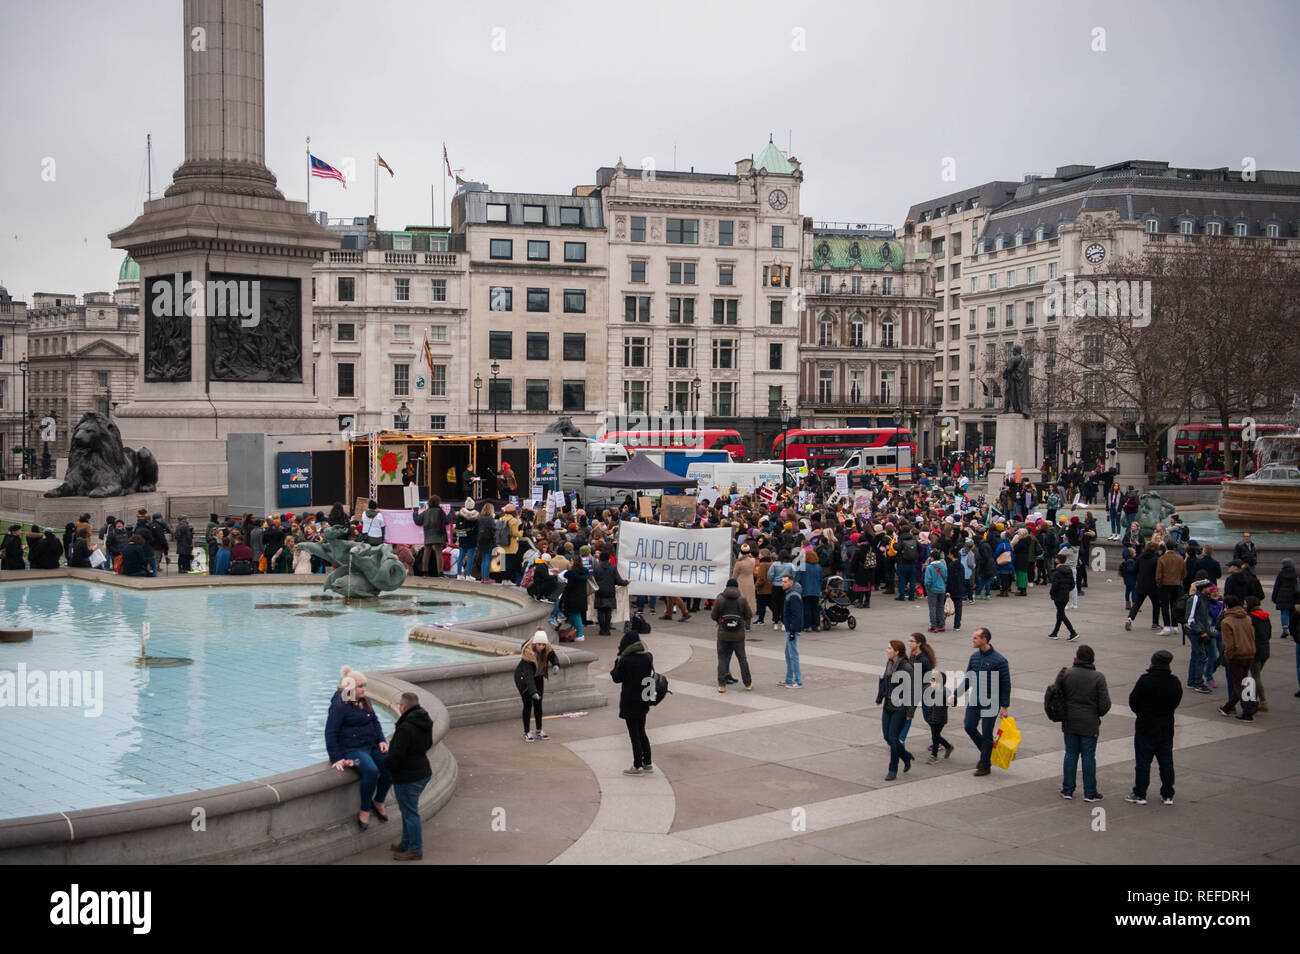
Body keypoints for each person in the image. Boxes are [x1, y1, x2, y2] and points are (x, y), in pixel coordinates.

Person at [325, 666, 392, 830]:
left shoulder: (364, 701)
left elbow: (375, 721)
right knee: (370, 770)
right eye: (360, 686)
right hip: (352, 750)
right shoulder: (339, 705)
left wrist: (382, 740)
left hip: (371, 745)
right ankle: (365, 809)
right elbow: (330, 732)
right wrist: (336, 758)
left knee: (391, 764)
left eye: (364, 686)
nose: (364, 689)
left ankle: (379, 800)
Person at [1126, 650, 1182, 806]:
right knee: (1166, 762)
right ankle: (1168, 794)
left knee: (1143, 763)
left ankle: (1140, 793)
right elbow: (1176, 701)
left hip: (1146, 727)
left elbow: (1133, 701)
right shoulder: (1174, 682)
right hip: (1166, 727)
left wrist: (1143, 713)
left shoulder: (1145, 680)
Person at [384, 690, 434, 861]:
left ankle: (415, 849)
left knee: (410, 812)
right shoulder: (424, 721)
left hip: (408, 776)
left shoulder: (405, 728)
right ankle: (406, 843)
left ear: (403, 707)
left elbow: (396, 755)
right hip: (422, 771)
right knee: (408, 810)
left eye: (399, 704)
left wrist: (386, 765)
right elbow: (428, 743)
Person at [954, 627, 1010, 777]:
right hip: (975, 700)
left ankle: (985, 764)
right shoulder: (974, 657)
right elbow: (968, 678)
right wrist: (955, 694)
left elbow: (1006, 684)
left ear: (985, 640)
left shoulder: (1000, 660)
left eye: (976, 638)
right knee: (969, 726)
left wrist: (1004, 706)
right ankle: (988, 753)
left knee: (987, 732)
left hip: (991, 702)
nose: (973, 640)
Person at [1058, 644, 1111, 802]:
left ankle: (1068, 789)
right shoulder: (1098, 677)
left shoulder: (1066, 673)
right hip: (1090, 722)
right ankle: (1090, 792)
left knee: (1070, 754)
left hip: (1070, 721)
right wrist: (1096, 713)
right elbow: (1104, 705)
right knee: (1088, 757)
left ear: (1077, 658)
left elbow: (1057, 696)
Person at [610, 624, 655, 775]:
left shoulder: (626, 660)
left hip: (630, 700)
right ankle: (647, 762)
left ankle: (637, 765)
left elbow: (616, 678)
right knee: (642, 731)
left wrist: (617, 662)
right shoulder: (648, 657)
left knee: (634, 734)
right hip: (643, 699)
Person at [877, 639, 916, 780]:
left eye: (889, 648)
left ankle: (892, 769)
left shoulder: (906, 668)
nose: (887, 650)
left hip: (900, 708)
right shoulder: (889, 663)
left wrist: (910, 712)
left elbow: (912, 691)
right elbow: (884, 680)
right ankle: (905, 756)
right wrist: (880, 696)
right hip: (887, 706)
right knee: (887, 737)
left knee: (894, 738)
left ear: (897, 651)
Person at [1217, 595, 1258, 722]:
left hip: (1236, 656)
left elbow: (1228, 644)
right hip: (1249, 653)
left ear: (1227, 606)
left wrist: (1227, 657)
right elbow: (1252, 635)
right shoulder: (1247, 617)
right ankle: (1227, 708)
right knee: (1241, 682)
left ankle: (1247, 712)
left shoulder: (1226, 621)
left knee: (1239, 684)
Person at [514, 629, 559, 742]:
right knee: (528, 704)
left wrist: (556, 664)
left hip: (538, 675)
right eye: (539, 644)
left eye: (543, 644)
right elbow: (528, 676)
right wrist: (533, 692)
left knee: (538, 704)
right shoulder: (528, 654)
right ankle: (527, 732)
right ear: (534, 644)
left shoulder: (547, 647)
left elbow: (552, 655)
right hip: (523, 678)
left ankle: (539, 730)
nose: (541, 647)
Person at [712, 577, 753, 692]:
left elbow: (713, 615)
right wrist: (741, 620)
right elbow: (749, 614)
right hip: (738, 635)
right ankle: (747, 683)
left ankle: (721, 685)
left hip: (723, 635)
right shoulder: (742, 599)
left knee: (722, 659)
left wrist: (720, 621)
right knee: (742, 659)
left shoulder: (720, 599)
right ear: (737, 587)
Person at [1183, 578, 1215, 694]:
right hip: (1195, 632)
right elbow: (1190, 619)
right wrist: (1201, 631)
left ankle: (1191, 681)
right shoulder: (1195, 598)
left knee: (1196, 655)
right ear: (1203, 588)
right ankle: (1198, 683)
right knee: (1201, 656)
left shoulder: (1204, 598)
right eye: (1208, 587)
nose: (1210, 589)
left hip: (1198, 631)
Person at [1125, 543, 1161, 631]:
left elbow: (1134, 569)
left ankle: (1130, 619)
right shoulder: (1156, 559)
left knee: (1137, 604)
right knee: (1156, 605)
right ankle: (1155, 623)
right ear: (1156, 550)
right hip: (1153, 586)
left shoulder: (1140, 557)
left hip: (1141, 584)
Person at [591, 550, 627, 636]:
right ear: (608, 559)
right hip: (610, 591)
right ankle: (607, 629)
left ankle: (602, 629)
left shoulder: (597, 568)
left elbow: (593, 581)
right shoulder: (613, 568)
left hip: (599, 591)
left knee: (600, 611)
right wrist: (626, 582)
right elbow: (618, 581)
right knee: (608, 611)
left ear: (600, 558)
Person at [778, 573, 804, 688]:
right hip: (790, 629)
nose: (782, 584)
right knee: (788, 654)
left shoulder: (793, 595)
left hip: (792, 629)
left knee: (793, 655)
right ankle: (789, 679)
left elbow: (797, 615)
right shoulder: (790, 593)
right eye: (782, 582)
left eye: (785, 582)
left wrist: (792, 630)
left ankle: (797, 681)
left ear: (791, 582)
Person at [1246, 595, 1271, 713]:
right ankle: (1254, 700)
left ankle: (1263, 701)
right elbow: (1269, 633)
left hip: (1255, 649)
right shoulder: (1265, 616)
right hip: (1265, 648)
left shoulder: (1251, 618)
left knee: (1255, 676)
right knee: (1256, 675)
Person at [1046, 552, 1079, 640]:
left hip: (1058, 595)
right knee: (1060, 614)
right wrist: (1067, 590)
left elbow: (1055, 585)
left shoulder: (1057, 572)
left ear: (1058, 561)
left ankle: (1073, 632)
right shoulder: (1068, 570)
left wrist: (1052, 593)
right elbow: (1072, 584)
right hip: (1065, 595)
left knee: (1061, 615)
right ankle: (1055, 632)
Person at [1155, 544, 1185, 635]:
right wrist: (1179, 580)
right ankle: (1175, 627)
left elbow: (1158, 574)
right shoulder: (1180, 559)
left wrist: (1159, 585)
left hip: (1165, 585)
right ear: (1174, 548)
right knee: (1174, 606)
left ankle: (1167, 626)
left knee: (1165, 606)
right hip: (1176, 585)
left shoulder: (1162, 559)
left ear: (1166, 548)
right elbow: (1184, 573)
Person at [412, 496, 445, 578]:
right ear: (438, 503)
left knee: (426, 553)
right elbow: (447, 520)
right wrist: (451, 513)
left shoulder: (425, 512)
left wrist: (415, 512)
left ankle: (425, 572)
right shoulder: (440, 511)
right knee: (439, 554)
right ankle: (440, 573)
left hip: (428, 534)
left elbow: (418, 521)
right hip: (438, 534)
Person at [561, 556, 589, 641]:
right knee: (576, 614)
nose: (570, 562)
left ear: (574, 562)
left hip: (573, 597)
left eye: (571, 561)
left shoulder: (572, 573)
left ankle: (579, 634)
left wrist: (565, 587)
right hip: (581, 596)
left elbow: (570, 586)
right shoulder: (585, 571)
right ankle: (574, 632)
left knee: (576, 615)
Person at [1272, 558, 1296, 640]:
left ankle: (1285, 629)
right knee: (1292, 614)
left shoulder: (1281, 574)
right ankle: (1293, 629)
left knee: (1284, 613)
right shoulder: (1296, 574)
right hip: (1293, 596)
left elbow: (1276, 587)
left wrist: (1274, 597)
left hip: (1282, 596)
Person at [924, 551, 947, 633]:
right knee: (940, 607)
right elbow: (945, 577)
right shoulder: (943, 566)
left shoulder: (929, 568)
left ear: (932, 558)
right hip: (942, 589)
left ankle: (934, 626)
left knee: (932, 607)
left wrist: (927, 588)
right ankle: (941, 625)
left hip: (933, 590)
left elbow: (928, 581)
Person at [455, 498, 478, 580]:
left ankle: (458, 574)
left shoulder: (459, 515)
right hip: (471, 538)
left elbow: (457, 527)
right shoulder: (475, 516)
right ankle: (468, 575)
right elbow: (477, 529)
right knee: (470, 557)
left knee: (461, 556)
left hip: (462, 537)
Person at [475, 502, 497, 582]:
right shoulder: (491, 519)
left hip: (480, 541)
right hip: (489, 541)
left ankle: (483, 577)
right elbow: (494, 531)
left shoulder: (479, 518)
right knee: (488, 559)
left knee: (484, 559)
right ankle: (486, 577)